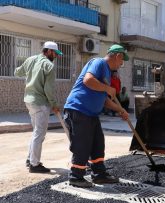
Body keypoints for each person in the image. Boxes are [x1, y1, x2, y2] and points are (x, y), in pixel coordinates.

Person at [64, 44, 129, 188]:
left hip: (91, 113)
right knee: (82, 144)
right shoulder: (98, 63)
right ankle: (76, 176)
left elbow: (104, 99)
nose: (121, 64)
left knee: (98, 143)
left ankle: (99, 174)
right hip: (78, 109)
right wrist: (107, 88)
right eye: (122, 60)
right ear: (118, 56)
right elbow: (88, 80)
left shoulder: (106, 73)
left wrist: (120, 110)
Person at [14, 41, 62, 173]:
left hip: (29, 100)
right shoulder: (49, 66)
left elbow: (17, 72)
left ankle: (30, 159)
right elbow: (48, 89)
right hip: (41, 103)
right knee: (39, 133)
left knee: (36, 131)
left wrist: (30, 75)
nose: (56, 56)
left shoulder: (30, 59)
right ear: (49, 51)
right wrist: (54, 104)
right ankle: (34, 165)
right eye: (55, 53)